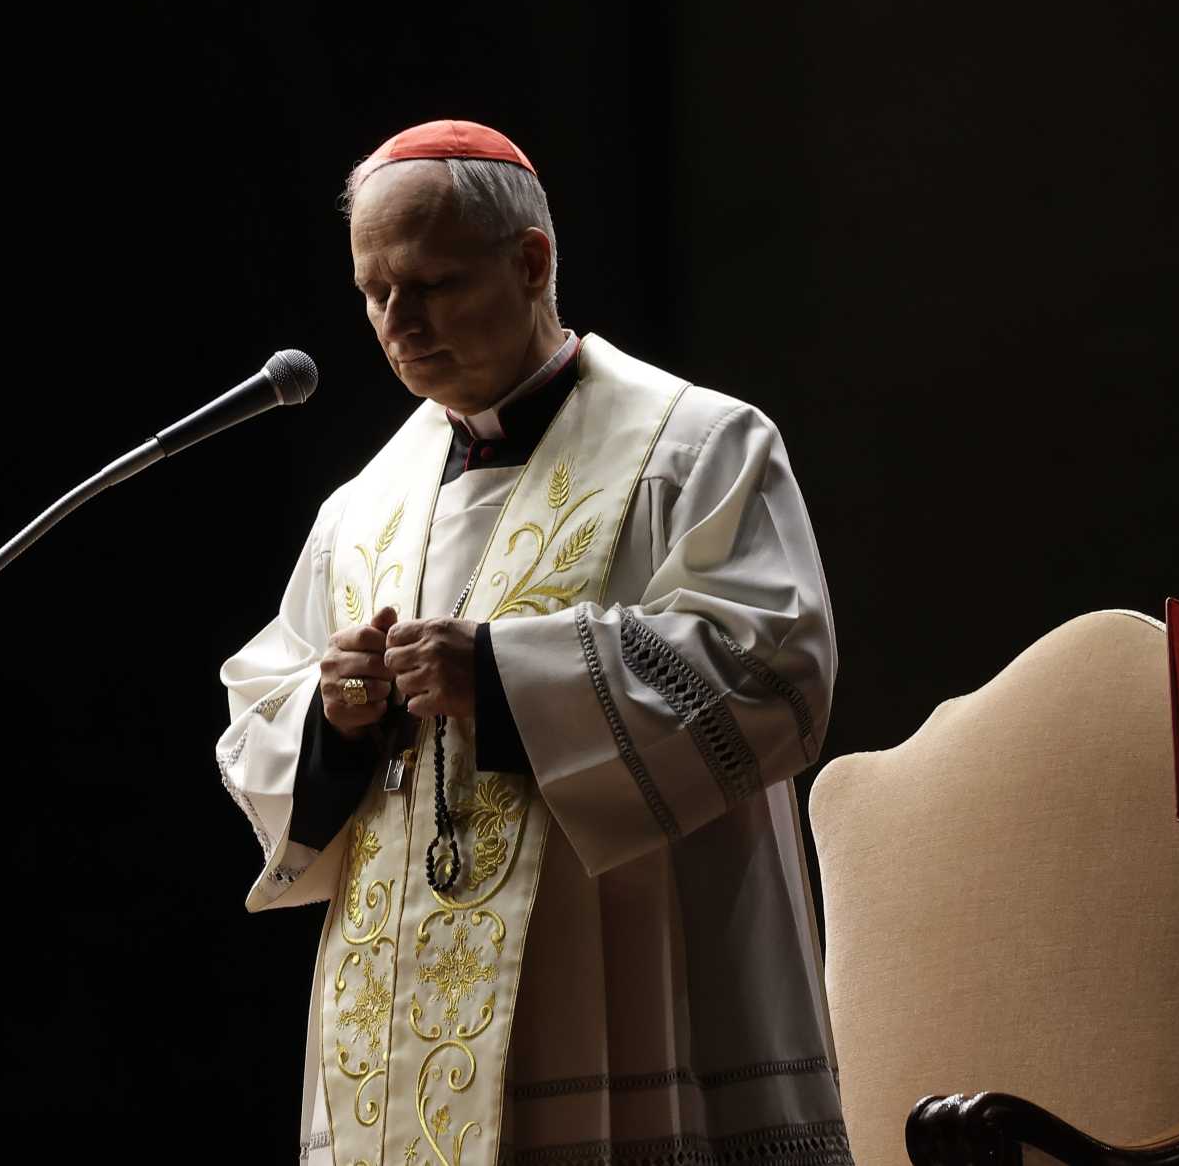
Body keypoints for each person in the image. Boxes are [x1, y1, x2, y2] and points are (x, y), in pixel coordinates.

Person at [215, 120, 851, 1166]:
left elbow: (774, 671)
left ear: (531, 263)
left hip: (631, 979)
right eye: (373, 292)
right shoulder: (360, 508)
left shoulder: (697, 445)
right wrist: (332, 716)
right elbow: (260, 714)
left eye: (430, 283)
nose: (396, 322)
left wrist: (506, 678)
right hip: (394, 1025)